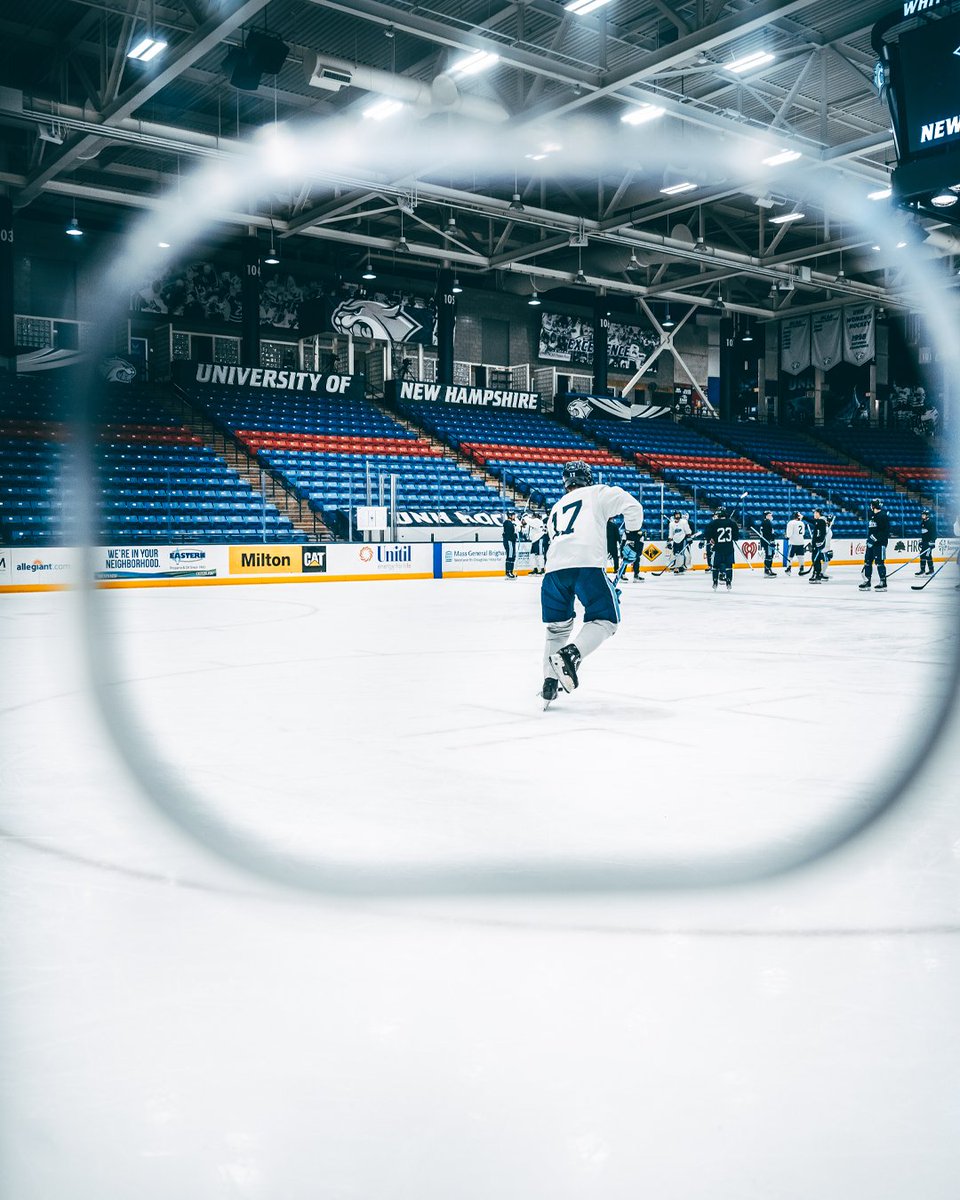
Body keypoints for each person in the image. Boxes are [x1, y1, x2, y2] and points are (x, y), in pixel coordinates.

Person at [540, 460, 644, 703]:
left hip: (553, 572)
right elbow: (633, 506)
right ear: (588, 477)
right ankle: (572, 655)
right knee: (606, 620)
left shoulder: (556, 507)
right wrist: (633, 538)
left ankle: (549, 682)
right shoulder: (598, 493)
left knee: (557, 629)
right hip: (586, 566)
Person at [705, 505, 739, 590]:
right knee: (729, 566)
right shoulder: (732, 523)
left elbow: (708, 535)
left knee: (715, 566)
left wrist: (711, 539)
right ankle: (728, 581)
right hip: (729, 548)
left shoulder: (713, 523)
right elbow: (736, 538)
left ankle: (715, 581)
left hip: (718, 548)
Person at [859, 498, 890, 591]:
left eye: (871, 505)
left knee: (880, 563)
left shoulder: (883, 516)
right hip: (871, 544)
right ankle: (867, 581)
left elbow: (884, 531)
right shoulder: (873, 515)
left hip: (880, 544)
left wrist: (873, 539)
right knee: (867, 562)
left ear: (873, 505)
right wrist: (869, 540)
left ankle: (883, 582)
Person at [521, 509, 548, 575]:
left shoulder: (537, 521)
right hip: (534, 540)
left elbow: (530, 521)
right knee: (532, 555)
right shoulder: (534, 522)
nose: (532, 517)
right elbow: (527, 529)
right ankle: (535, 568)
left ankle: (542, 569)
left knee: (540, 555)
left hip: (539, 539)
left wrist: (525, 516)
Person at [784, 511, 808, 575]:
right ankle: (801, 569)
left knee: (790, 557)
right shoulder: (802, 523)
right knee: (801, 556)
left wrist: (786, 536)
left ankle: (788, 569)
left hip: (793, 542)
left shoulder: (791, 523)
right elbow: (803, 533)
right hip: (801, 542)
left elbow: (789, 534)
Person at [808, 507, 828, 583]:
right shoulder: (820, 521)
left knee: (816, 559)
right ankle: (816, 573)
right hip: (817, 544)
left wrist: (819, 542)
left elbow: (822, 533)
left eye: (816, 513)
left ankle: (817, 574)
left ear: (819, 514)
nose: (814, 514)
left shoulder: (821, 521)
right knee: (815, 559)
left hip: (818, 544)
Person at [917, 508, 936, 576]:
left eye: (924, 514)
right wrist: (922, 541)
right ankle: (922, 570)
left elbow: (934, 533)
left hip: (929, 543)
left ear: (927, 515)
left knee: (928, 555)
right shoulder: (922, 522)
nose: (922, 516)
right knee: (922, 555)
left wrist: (932, 542)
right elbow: (924, 533)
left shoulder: (931, 522)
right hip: (925, 542)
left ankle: (931, 570)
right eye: (922, 514)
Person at [759, 509, 778, 577]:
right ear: (766, 516)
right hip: (768, 542)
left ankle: (768, 569)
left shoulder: (766, 522)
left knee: (769, 555)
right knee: (769, 555)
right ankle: (767, 570)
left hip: (767, 541)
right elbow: (767, 534)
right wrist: (771, 540)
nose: (771, 516)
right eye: (769, 515)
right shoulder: (766, 522)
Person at [501, 511, 518, 580]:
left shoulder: (510, 523)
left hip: (510, 541)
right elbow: (508, 534)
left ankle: (510, 572)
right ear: (510, 516)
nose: (514, 516)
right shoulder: (508, 523)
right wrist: (514, 536)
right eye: (513, 515)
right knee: (510, 556)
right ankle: (508, 572)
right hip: (509, 542)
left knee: (512, 556)